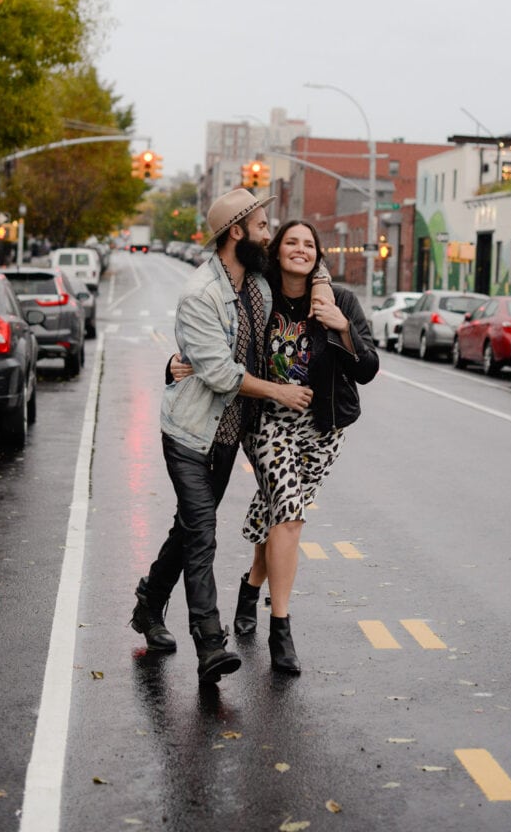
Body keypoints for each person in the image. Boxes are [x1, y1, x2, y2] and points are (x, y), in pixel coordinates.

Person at [172, 220, 379, 675]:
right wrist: (176, 363)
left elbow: (367, 369)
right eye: (291, 242)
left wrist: (343, 328)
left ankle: (250, 587)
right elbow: (217, 336)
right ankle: (280, 630)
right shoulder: (259, 294)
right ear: (278, 251)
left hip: (322, 429)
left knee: (276, 516)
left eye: (309, 244)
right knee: (289, 513)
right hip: (266, 421)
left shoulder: (339, 301)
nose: (300, 250)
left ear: (317, 254)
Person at [130, 188, 318, 685]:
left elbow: (301, 274)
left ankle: (148, 603)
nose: (268, 231)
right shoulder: (201, 294)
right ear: (236, 231)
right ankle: (210, 644)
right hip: (190, 435)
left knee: (189, 527)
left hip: (227, 436)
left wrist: (328, 296)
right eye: (260, 225)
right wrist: (279, 391)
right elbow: (222, 374)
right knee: (202, 536)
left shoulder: (256, 281)